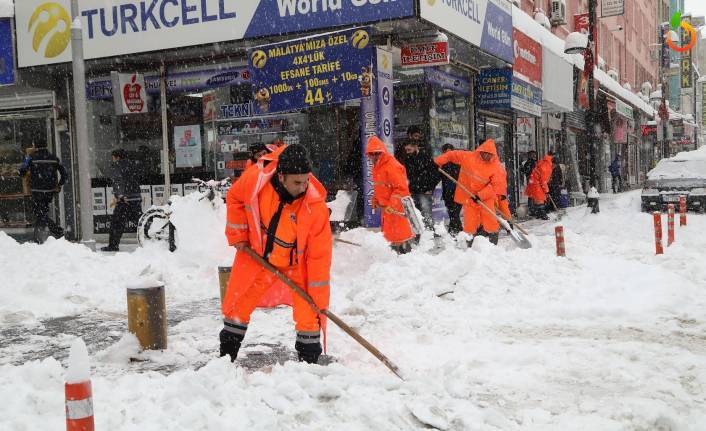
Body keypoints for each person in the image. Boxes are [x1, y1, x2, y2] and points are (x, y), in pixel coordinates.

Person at [221, 144, 332, 365]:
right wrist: (239, 235)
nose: (303, 187)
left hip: (295, 265)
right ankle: (225, 358)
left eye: (306, 180)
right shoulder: (256, 181)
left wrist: (317, 298)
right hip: (260, 259)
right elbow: (234, 197)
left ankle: (309, 363)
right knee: (239, 305)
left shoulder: (314, 207)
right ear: (281, 177)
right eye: (297, 182)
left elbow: (320, 258)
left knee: (309, 315)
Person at [434, 139, 504, 246]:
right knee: (470, 223)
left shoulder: (496, 166)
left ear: (493, 154)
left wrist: (481, 195)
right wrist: (437, 162)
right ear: (481, 151)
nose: (487, 156)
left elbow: (496, 186)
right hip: (469, 197)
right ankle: (470, 245)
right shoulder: (469, 157)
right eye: (485, 153)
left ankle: (493, 244)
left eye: (490, 154)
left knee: (490, 221)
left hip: (486, 198)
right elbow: (451, 155)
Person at [366, 136, 415, 254]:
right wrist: (376, 199)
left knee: (400, 237)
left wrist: (392, 205)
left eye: (375, 154)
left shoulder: (392, 166)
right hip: (387, 210)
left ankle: (406, 260)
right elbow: (381, 186)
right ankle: (394, 260)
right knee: (391, 238)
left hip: (396, 209)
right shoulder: (377, 167)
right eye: (371, 154)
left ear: (381, 152)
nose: (373, 157)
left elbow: (401, 189)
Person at [18, 142, 67, 243]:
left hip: (37, 191)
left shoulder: (31, 157)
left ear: (35, 146)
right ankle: (37, 237)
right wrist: (59, 184)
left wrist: (26, 164)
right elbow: (64, 173)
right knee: (42, 212)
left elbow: (22, 171)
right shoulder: (54, 158)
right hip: (49, 191)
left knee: (39, 213)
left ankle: (57, 231)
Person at [102, 149, 142, 252]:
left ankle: (113, 245)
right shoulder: (133, 165)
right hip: (136, 197)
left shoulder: (117, 166)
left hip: (125, 199)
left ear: (117, 157)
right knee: (140, 221)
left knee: (116, 223)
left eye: (113, 157)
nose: (112, 159)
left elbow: (118, 182)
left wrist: (120, 195)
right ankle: (152, 236)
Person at [401, 138, 440, 235]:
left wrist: (430, 188)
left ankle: (429, 233)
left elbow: (436, 175)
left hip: (424, 191)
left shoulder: (426, 158)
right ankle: (417, 233)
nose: (407, 152)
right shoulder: (407, 159)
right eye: (406, 150)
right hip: (412, 191)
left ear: (415, 147)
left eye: (409, 150)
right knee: (414, 213)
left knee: (426, 212)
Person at [439, 144, 462, 236]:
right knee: (451, 212)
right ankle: (458, 229)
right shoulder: (442, 164)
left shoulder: (459, 163)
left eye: (450, 152)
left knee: (455, 212)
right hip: (447, 193)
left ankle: (454, 230)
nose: (448, 154)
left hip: (459, 192)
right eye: (446, 152)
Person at [524, 152, 554, 220]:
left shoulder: (544, 163)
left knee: (537, 198)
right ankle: (542, 214)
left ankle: (538, 213)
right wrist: (546, 191)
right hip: (536, 183)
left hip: (533, 181)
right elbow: (543, 181)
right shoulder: (547, 167)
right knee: (540, 198)